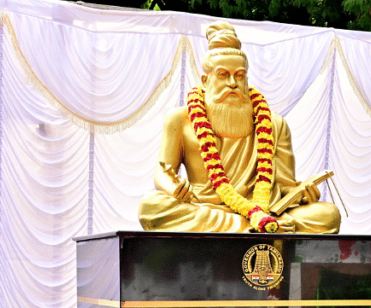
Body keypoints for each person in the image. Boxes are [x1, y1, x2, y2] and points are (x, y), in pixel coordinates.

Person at [139, 22, 341, 234]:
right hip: (206, 207)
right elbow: (162, 172)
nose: (233, 83)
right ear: (206, 81)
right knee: (151, 207)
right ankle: (257, 227)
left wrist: (303, 193)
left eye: (239, 75)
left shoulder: (274, 124)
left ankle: (257, 225)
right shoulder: (180, 119)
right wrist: (174, 188)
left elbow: (285, 185)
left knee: (328, 215)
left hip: (264, 208)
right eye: (224, 75)